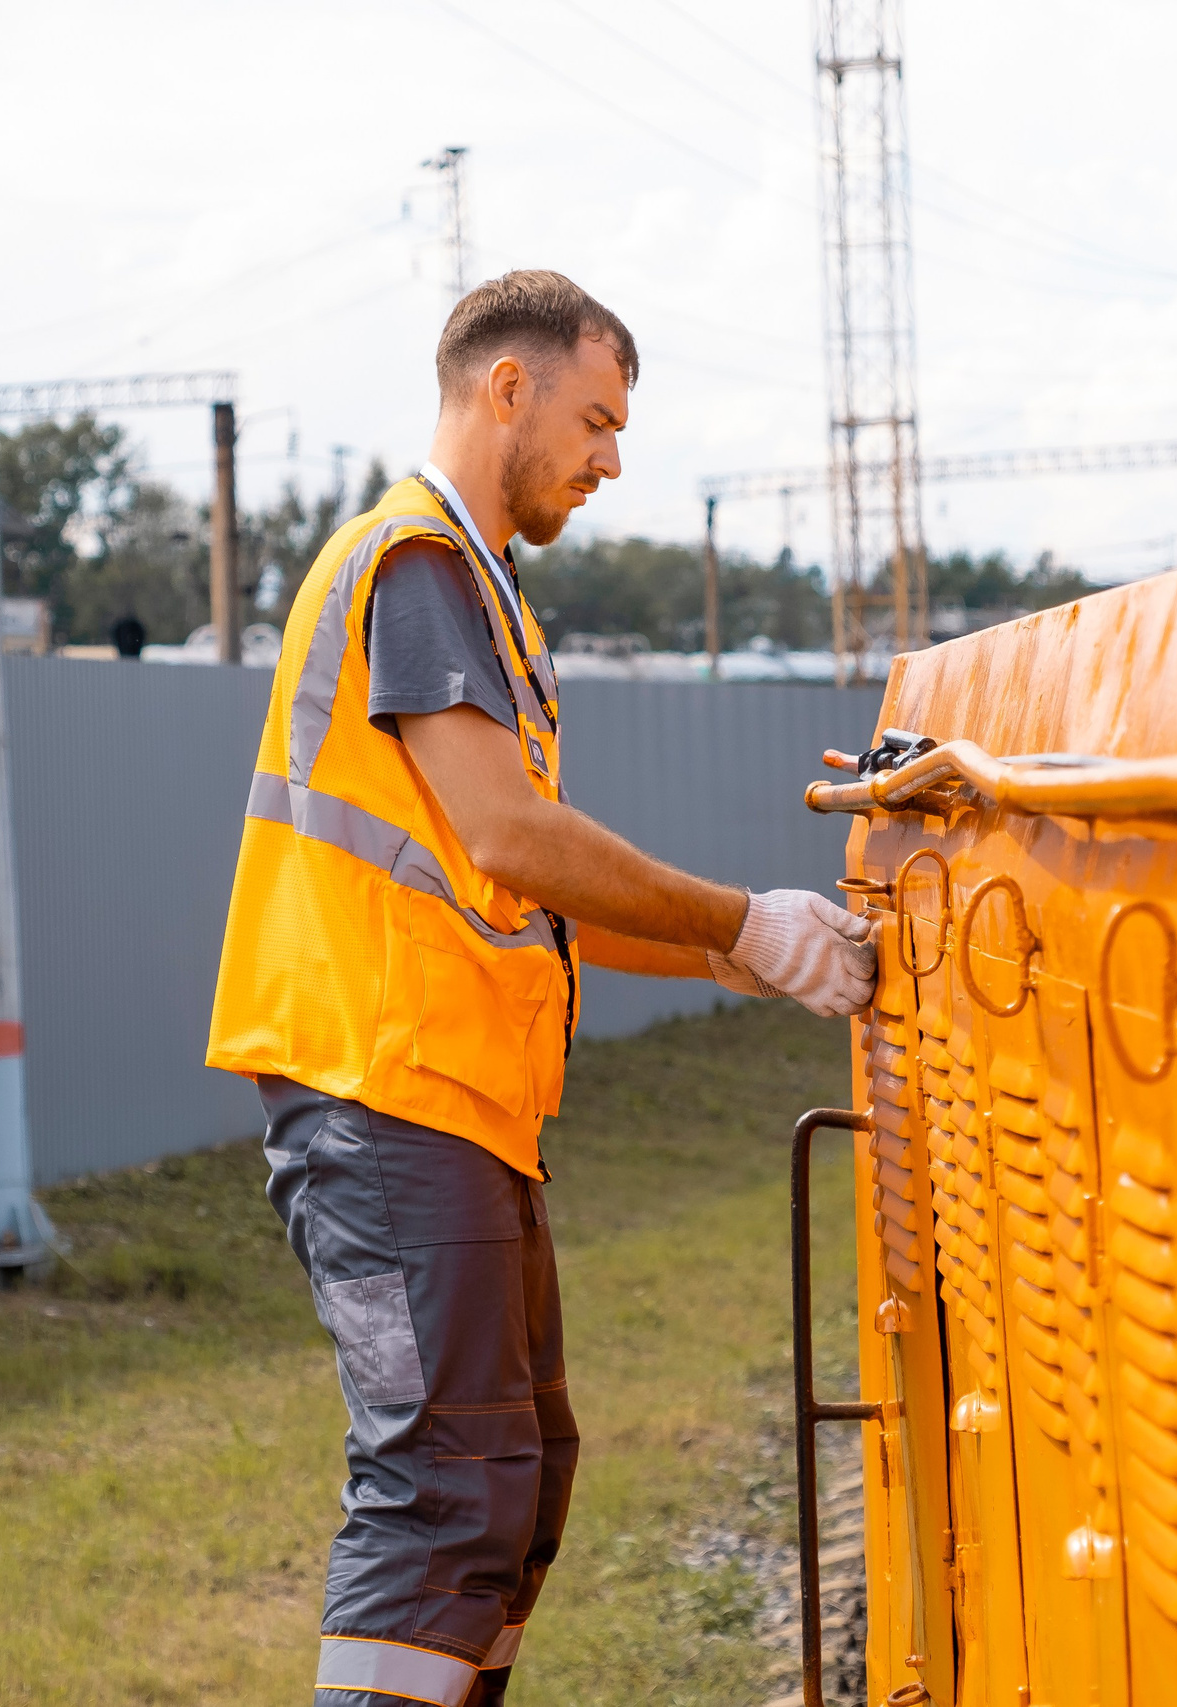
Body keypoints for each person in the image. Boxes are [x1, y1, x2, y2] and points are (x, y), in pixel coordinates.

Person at [205, 269, 876, 1707]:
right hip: (381, 1096)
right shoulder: (420, 569)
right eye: (596, 417)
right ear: (506, 388)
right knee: (450, 1493)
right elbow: (517, 836)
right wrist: (745, 919)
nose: (612, 460)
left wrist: (747, 953)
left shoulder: (481, 600)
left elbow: (529, 896)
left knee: (518, 1488)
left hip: (453, 1107)